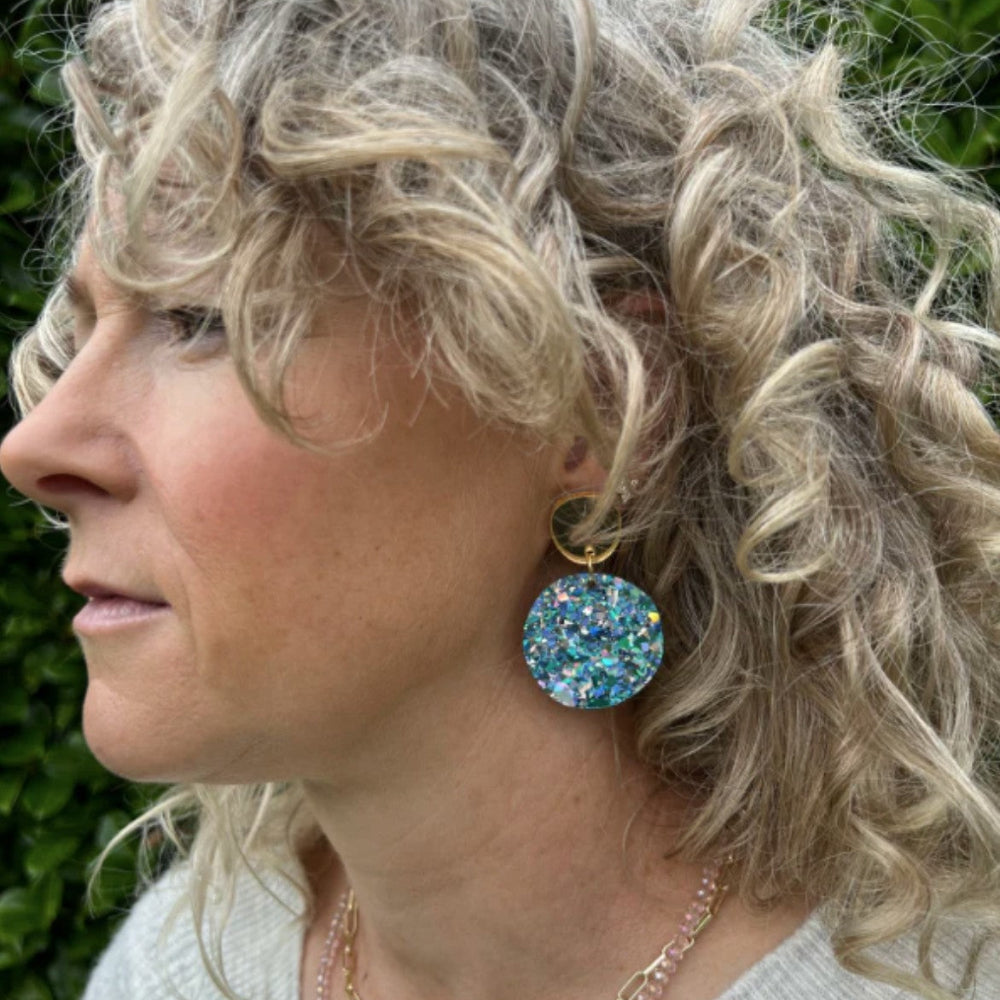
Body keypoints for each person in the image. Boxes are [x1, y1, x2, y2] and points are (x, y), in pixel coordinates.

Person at [2, 0, 999, 997]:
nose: (34, 443)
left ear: (599, 409)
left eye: (198, 316)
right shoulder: (186, 966)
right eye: (86, 325)